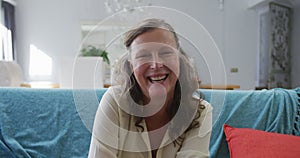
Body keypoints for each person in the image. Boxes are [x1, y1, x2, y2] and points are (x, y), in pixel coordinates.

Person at [88, 18, 212, 158]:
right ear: (131, 66)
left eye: (165, 52)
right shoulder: (114, 102)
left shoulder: (199, 111)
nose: (156, 64)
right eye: (143, 55)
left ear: (179, 58)